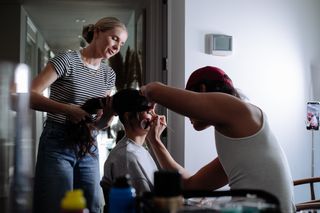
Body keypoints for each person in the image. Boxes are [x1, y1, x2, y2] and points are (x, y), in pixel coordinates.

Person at [140, 66, 296, 213]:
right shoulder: (239, 143)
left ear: (202, 90)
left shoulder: (239, 110)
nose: (187, 114)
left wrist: (147, 91)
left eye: (190, 95)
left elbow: (156, 91)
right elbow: (190, 185)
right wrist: (155, 141)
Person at [30, 17, 128, 213]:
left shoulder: (109, 75)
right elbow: (30, 96)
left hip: (89, 145)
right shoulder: (66, 60)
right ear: (98, 32)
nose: (117, 46)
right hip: (57, 142)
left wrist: (108, 116)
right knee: (57, 206)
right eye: (114, 38)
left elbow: (98, 125)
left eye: (122, 43)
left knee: (92, 205)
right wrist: (68, 109)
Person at [100, 88, 159, 212]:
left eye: (153, 110)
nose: (154, 116)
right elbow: (144, 205)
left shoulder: (137, 150)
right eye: (148, 111)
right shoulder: (127, 157)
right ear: (128, 116)